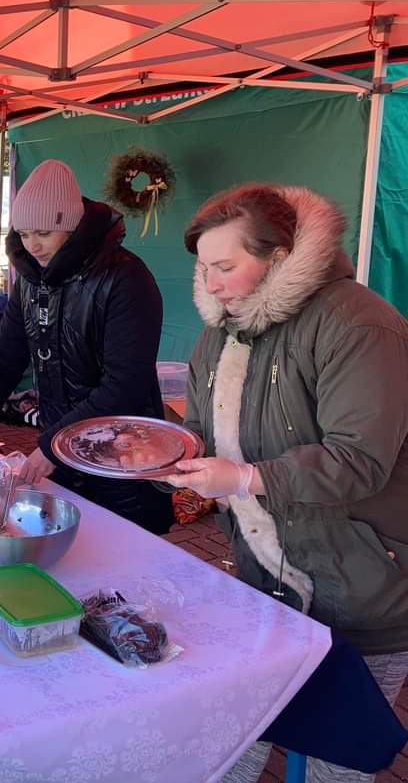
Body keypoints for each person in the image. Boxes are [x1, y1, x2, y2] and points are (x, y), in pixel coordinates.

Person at [162, 184, 408, 783]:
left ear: (280, 257)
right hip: (268, 581)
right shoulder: (220, 335)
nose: (212, 283)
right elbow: (198, 431)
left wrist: (247, 477)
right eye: (204, 269)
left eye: (226, 266)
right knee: (239, 732)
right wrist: (167, 459)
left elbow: (360, 460)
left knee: (336, 762)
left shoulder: (358, 322)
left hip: (365, 584)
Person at [0, 159, 173, 534]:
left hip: (122, 459)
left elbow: (125, 384)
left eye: (44, 233)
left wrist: (53, 445)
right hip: (63, 455)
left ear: (71, 227)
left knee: (119, 558)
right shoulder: (32, 281)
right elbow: (4, 359)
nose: (32, 245)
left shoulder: (126, 278)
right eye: (23, 233)